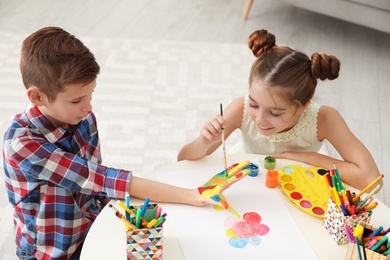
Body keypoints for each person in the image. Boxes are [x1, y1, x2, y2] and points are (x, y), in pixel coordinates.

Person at [2, 27, 248, 260]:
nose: (89, 107)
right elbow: (99, 178)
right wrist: (193, 195)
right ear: (37, 96)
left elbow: (96, 187)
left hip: (90, 226)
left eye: (91, 94)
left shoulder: (84, 117)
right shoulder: (22, 145)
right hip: (51, 250)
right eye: (77, 100)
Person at [178, 29, 381, 191]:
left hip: (294, 187)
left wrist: (307, 158)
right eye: (254, 104)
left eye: (275, 113)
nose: (260, 119)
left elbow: (371, 179)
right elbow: (182, 163)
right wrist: (203, 142)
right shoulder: (241, 108)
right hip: (245, 185)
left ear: (304, 106)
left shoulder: (324, 119)